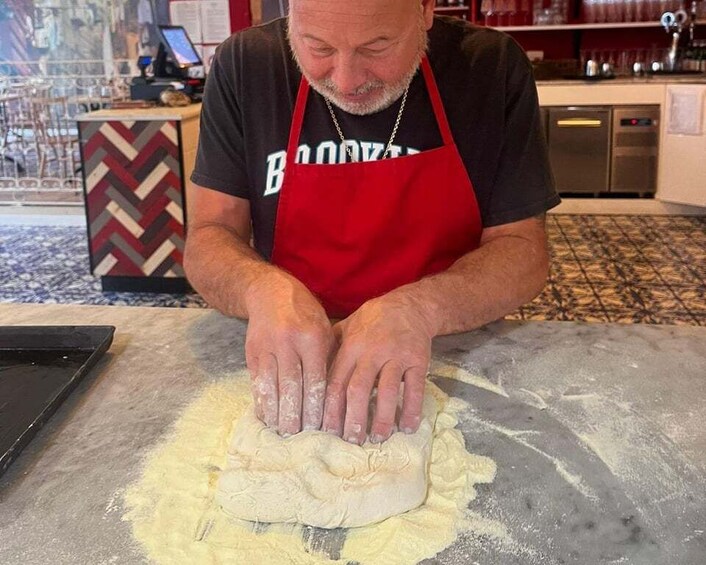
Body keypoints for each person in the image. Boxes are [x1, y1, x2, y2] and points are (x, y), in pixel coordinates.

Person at [185, 0, 559, 446]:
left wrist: (420, 310)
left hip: (449, 350)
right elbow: (210, 236)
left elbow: (523, 250)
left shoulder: (489, 67)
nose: (346, 80)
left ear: (424, 10)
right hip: (295, 356)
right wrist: (261, 290)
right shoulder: (246, 65)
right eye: (318, 47)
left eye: (376, 47)